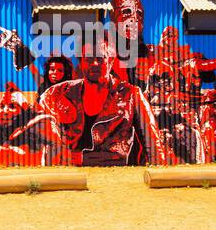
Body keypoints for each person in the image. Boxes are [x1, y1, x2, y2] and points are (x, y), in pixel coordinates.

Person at [37, 39, 169, 166]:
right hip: (69, 177)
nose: (94, 63)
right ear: (81, 62)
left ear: (111, 61)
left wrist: (157, 179)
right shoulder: (55, 94)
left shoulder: (131, 95)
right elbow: (40, 136)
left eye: (100, 58)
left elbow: (153, 146)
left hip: (113, 178)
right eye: (89, 59)